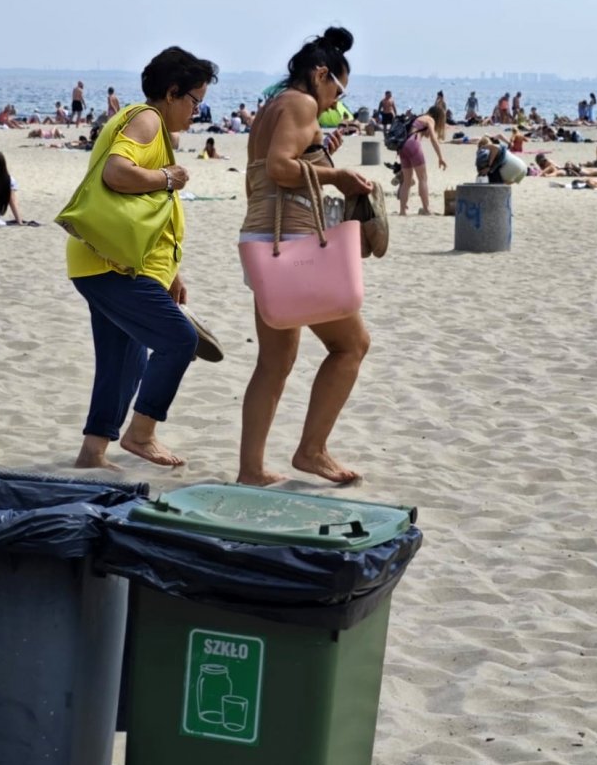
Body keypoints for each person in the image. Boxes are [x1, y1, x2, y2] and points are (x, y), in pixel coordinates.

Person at [66, 45, 217, 471]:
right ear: (172, 92)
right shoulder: (147, 119)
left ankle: (92, 454)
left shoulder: (142, 121)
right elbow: (117, 173)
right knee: (179, 340)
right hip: (112, 265)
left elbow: (148, 213)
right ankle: (142, 432)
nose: (196, 112)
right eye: (195, 101)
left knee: (123, 358)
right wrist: (170, 176)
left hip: (109, 261)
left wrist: (172, 270)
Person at [238, 26, 372, 486]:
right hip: (292, 243)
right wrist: (335, 177)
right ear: (321, 74)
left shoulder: (271, 106)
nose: (336, 103)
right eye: (337, 89)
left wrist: (320, 159)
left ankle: (251, 470)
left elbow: (265, 171)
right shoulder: (301, 103)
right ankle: (312, 451)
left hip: (262, 238)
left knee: (274, 362)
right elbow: (279, 167)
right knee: (352, 345)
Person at [396, 110, 447, 215]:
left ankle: (402, 211)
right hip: (413, 144)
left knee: (407, 181)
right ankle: (426, 209)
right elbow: (433, 139)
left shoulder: (419, 118)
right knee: (422, 179)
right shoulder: (430, 119)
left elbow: (423, 133)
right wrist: (440, 157)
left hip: (403, 146)